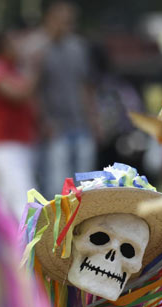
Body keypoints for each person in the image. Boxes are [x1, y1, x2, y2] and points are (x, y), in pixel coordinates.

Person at [37, 2, 97, 197]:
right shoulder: (39, 48)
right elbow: (34, 91)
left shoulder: (78, 47)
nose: (65, 26)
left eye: (69, 22)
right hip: (56, 126)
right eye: (61, 21)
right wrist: (43, 120)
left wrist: (93, 119)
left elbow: (85, 86)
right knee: (57, 185)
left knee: (85, 184)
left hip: (81, 123)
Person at [0, 31, 38, 218]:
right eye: (15, 43)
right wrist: (34, 68)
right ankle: (25, 244)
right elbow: (18, 95)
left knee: (9, 199)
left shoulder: (14, 70)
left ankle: (13, 244)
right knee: (23, 199)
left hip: (20, 142)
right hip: (4, 145)